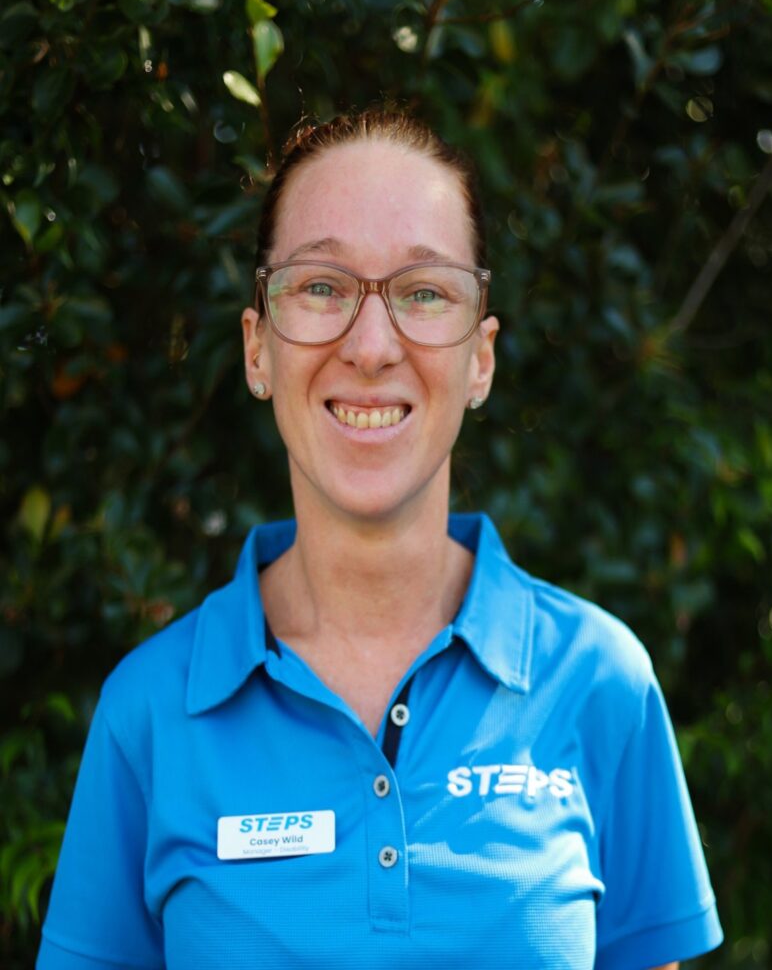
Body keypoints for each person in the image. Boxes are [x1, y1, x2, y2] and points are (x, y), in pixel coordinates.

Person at [37, 109, 723, 970]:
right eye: (320, 286)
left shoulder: (600, 682)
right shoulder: (147, 712)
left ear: (481, 357)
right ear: (258, 351)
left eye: (423, 292)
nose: (369, 347)